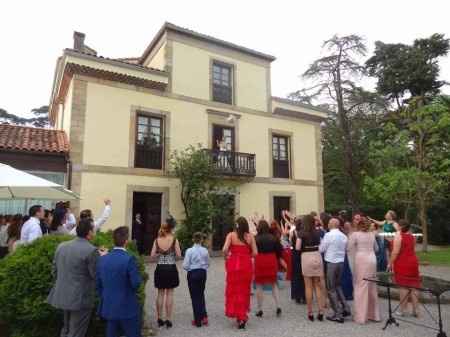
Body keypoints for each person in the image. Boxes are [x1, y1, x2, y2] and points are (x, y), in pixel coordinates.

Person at [47, 218, 101, 337]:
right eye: (93, 229)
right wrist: (101, 258)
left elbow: (54, 271)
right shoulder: (91, 250)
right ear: (89, 232)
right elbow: (96, 275)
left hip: (62, 293)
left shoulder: (61, 246)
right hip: (80, 298)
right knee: (76, 332)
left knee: (66, 329)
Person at [97, 226, 142, 337]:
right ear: (126, 241)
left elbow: (98, 283)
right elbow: (136, 283)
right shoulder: (129, 259)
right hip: (127, 307)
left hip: (109, 306)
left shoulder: (103, 259)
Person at [223, 216, 257, 329]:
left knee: (234, 290)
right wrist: (247, 256)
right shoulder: (250, 236)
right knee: (244, 290)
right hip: (246, 265)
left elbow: (224, 249)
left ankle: (238, 315)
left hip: (233, 265)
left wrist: (227, 257)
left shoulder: (231, 235)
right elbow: (255, 253)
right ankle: (242, 316)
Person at [348, 219, 380, 324]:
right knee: (371, 286)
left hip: (361, 259)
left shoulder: (355, 234)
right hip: (372, 259)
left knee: (361, 286)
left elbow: (348, 247)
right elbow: (377, 248)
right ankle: (373, 314)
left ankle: (361, 316)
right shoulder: (372, 235)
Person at [320, 218, 351, 323]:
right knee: (338, 286)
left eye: (329, 223)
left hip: (331, 262)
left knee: (331, 288)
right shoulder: (343, 236)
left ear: (332, 224)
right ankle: (346, 308)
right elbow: (346, 248)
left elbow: (322, 249)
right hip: (341, 262)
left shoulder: (328, 235)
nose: (327, 224)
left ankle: (337, 314)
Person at [150, 223, 181, 329]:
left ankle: (159, 318)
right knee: (170, 294)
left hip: (160, 268)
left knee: (160, 293)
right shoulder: (174, 239)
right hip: (171, 268)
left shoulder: (156, 240)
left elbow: (152, 255)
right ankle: (168, 319)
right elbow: (179, 255)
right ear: (170, 229)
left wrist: (160, 254)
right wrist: (171, 254)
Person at [296, 214, 325, 321]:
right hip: (316, 255)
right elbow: (322, 245)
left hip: (306, 257)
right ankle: (321, 311)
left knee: (308, 286)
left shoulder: (301, 233)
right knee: (317, 286)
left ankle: (310, 312)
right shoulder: (318, 232)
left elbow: (298, 248)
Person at [389, 219, 420, 317]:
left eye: (397, 225)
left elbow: (395, 252)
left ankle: (403, 310)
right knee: (414, 286)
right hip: (413, 261)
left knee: (403, 287)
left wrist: (390, 263)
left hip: (403, 262)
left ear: (401, 226)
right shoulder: (411, 236)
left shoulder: (399, 236)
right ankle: (416, 310)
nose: (396, 226)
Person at [254, 219, 285, 318]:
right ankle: (278, 306)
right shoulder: (273, 238)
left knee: (259, 285)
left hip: (260, 260)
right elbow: (280, 250)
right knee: (274, 283)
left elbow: (252, 251)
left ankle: (260, 309)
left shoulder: (256, 238)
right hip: (271, 260)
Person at [183, 232, 210, 327]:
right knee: (201, 293)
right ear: (202, 240)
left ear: (193, 239)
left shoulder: (189, 251)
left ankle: (197, 320)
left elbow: (185, 265)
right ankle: (204, 316)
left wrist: (190, 268)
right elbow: (208, 263)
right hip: (202, 273)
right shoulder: (205, 251)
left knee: (194, 296)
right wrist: (203, 268)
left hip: (193, 273)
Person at [290, 217, 306, 304]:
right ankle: (304, 295)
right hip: (303, 253)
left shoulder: (293, 233)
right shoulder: (304, 233)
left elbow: (290, 242)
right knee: (304, 276)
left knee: (296, 275)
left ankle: (297, 296)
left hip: (295, 254)